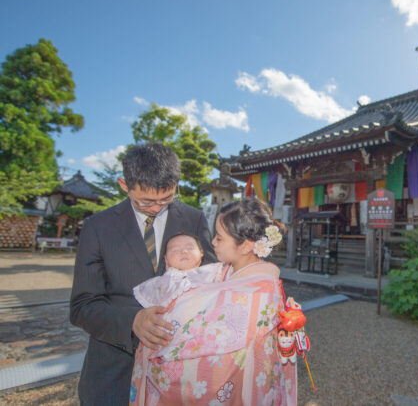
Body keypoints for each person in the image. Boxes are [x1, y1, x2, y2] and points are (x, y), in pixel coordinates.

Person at [70, 143, 216, 405]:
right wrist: (132, 321)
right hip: (115, 364)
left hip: (181, 366)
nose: (157, 208)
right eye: (146, 201)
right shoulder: (98, 227)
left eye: (167, 198)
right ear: (124, 184)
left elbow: (213, 281)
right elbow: (82, 306)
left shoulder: (193, 219)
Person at [130, 197, 297, 405]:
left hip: (235, 382)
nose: (213, 242)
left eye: (219, 237)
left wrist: (163, 343)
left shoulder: (259, 290)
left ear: (245, 245)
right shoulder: (224, 271)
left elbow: (210, 335)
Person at [133, 233, 224, 309]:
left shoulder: (213, 271)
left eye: (189, 248)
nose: (184, 251)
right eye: (175, 250)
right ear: (166, 260)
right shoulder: (160, 283)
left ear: (201, 253)